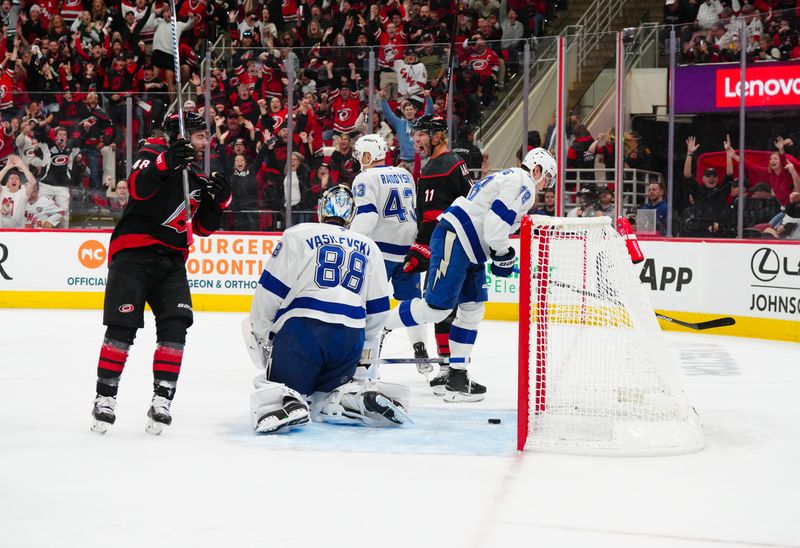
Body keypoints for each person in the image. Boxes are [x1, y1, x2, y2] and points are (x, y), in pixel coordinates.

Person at [90, 111, 231, 436]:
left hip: (172, 261)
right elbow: (138, 188)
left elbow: (205, 228)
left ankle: (162, 400)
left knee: (175, 327)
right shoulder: (152, 154)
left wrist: (219, 201)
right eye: (199, 136)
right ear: (180, 134)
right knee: (122, 328)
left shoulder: (194, 177)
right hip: (133, 255)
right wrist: (167, 161)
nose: (204, 142)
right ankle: (105, 399)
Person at [386, 147, 556, 402]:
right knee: (436, 308)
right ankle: (377, 326)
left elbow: (491, 227)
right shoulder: (524, 183)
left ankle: (456, 376)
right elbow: (495, 228)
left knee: (473, 308)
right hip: (456, 238)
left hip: (470, 246)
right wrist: (503, 253)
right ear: (537, 169)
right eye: (547, 178)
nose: (546, 186)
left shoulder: (511, 178)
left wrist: (502, 255)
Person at [242, 185, 409, 434]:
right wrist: (363, 354)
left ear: (321, 209)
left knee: (276, 387)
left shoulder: (298, 234)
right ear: (351, 216)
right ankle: (348, 398)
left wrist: (261, 332)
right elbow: (378, 310)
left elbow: (270, 291)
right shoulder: (368, 246)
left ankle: (287, 401)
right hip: (349, 340)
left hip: (303, 332)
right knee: (324, 398)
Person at [348, 134, 430, 372]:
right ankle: (420, 349)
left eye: (359, 154)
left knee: (371, 306)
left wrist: (350, 239)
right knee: (412, 303)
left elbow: (367, 216)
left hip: (380, 253)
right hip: (408, 249)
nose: (357, 159)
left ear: (367, 156)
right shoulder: (404, 173)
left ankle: (365, 357)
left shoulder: (364, 178)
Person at [0, 155, 37, 228]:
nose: (14, 180)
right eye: (11, 178)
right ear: (8, 182)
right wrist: (7, 167)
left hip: (18, 231)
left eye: (17, 179)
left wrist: (22, 165)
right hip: (1, 230)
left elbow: (32, 182)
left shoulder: (23, 193)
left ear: (20, 183)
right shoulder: (3, 190)